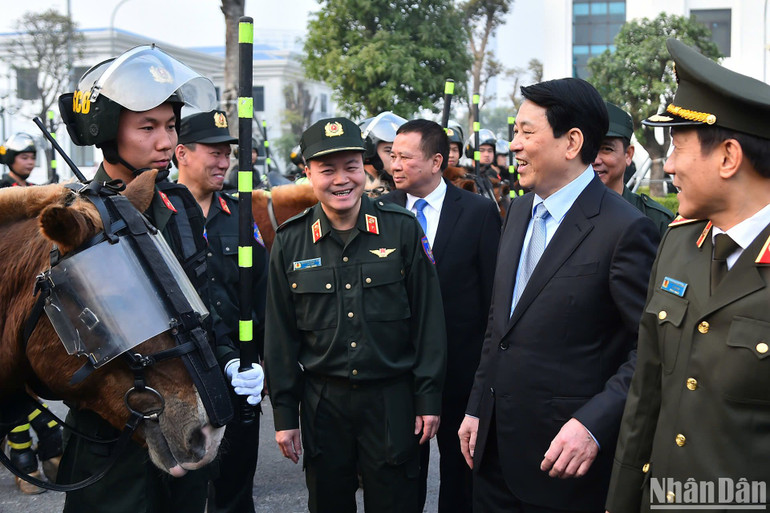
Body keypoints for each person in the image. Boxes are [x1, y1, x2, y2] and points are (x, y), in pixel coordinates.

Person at [55, 45, 261, 513]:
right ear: (108, 132)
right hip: (111, 440)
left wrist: (228, 361)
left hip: (185, 423)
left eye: (170, 126)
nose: (166, 141)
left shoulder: (178, 204)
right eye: (148, 127)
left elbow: (202, 303)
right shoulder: (75, 216)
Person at [458, 78, 660, 513]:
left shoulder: (623, 229)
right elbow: (501, 325)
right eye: (514, 132)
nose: (514, 145)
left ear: (571, 142)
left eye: (526, 133)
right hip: (493, 455)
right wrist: (477, 406)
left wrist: (593, 425)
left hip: (565, 465)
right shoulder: (516, 210)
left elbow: (652, 347)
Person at [605, 39, 770, 513]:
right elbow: (646, 398)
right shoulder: (678, 244)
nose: (669, 164)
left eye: (678, 147)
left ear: (728, 157)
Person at [264, 116, 447, 513]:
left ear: (365, 168)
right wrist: (283, 413)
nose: (341, 180)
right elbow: (280, 336)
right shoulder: (291, 241)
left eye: (351, 167)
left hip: (391, 401)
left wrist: (428, 397)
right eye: (327, 170)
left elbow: (429, 321)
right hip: (323, 403)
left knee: (396, 502)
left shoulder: (400, 229)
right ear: (308, 173)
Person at [382, 119, 501, 513]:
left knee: (461, 474)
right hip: (399, 372)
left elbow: (493, 300)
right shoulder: (378, 212)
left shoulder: (479, 213)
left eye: (404, 157)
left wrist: (487, 378)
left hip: (460, 372)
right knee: (402, 477)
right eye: (391, 156)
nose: (393, 165)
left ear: (436, 161)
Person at [175, 110, 268, 513]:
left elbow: (264, 296)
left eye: (227, 153)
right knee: (182, 490)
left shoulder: (241, 216)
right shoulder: (159, 214)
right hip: (179, 377)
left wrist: (263, 366)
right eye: (213, 153)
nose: (223, 162)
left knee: (234, 490)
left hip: (238, 376)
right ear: (182, 153)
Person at [593, 102, 674, 236]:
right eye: (590, 148)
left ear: (628, 154)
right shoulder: (565, 213)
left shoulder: (655, 220)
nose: (595, 160)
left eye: (606, 149)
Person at [359, 111, 407, 190]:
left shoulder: (397, 188)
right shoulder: (356, 195)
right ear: (370, 153)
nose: (397, 161)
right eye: (389, 152)